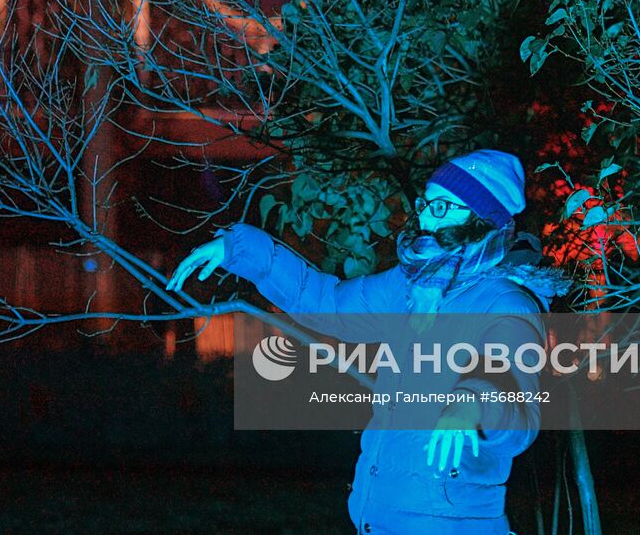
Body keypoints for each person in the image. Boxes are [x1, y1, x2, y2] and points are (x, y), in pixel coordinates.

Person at [167, 149, 572, 534]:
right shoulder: (408, 287)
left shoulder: (507, 303)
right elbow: (326, 303)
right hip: (377, 519)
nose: (426, 220)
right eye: (426, 205)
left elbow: (514, 399)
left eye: (442, 207)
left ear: (482, 218)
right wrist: (240, 250)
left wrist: (472, 403)